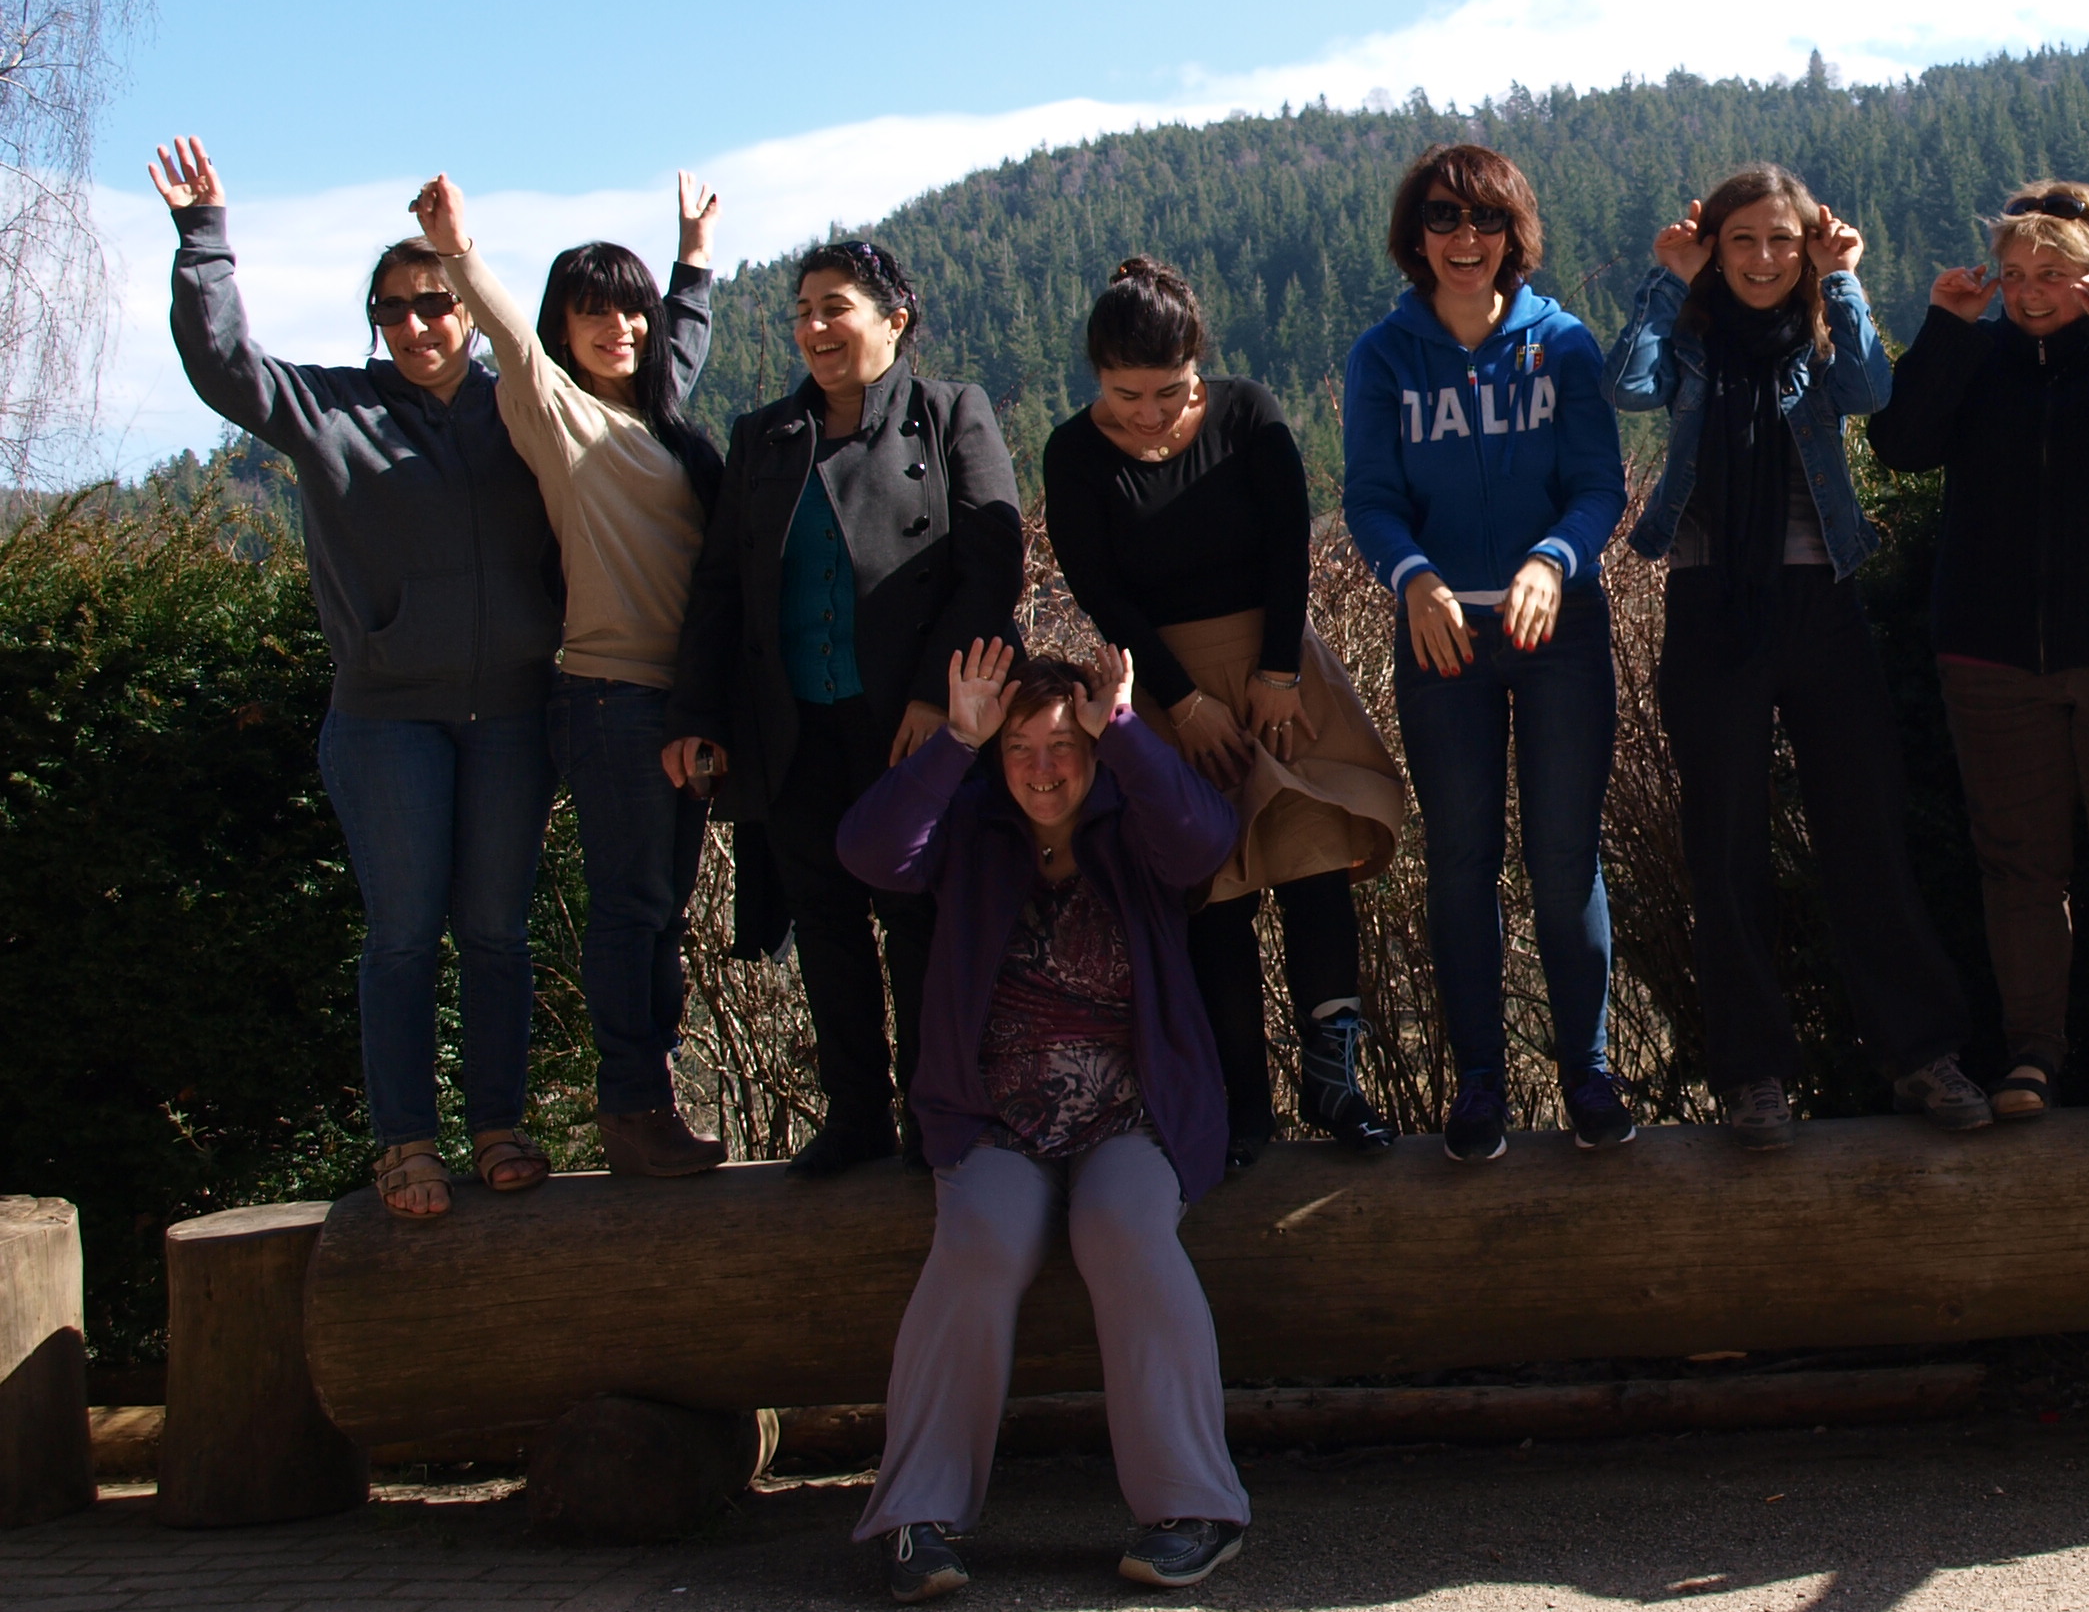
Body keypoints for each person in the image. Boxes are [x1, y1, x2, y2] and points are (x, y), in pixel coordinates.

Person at [150, 136, 562, 1221]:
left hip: (514, 715)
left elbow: (643, 389)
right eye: (393, 311)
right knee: (403, 938)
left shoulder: (521, 406)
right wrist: (204, 240)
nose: (416, 325)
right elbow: (223, 366)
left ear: (466, 308)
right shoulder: (330, 409)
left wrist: (692, 274)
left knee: (497, 936)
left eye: (434, 303)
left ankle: (499, 1127)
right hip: (387, 724)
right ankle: (406, 1143)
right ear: (374, 324)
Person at [840, 639, 1250, 1600]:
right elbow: (869, 853)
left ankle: (1197, 1511)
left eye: (1063, 744)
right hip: (991, 1116)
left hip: (1134, 1110)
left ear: (1093, 748)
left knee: (1124, 1228)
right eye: (1020, 747)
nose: (1042, 768)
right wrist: (955, 742)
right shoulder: (971, 819)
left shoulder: (1132, 817)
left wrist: (1127, 730)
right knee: (979, 1240)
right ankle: (916, 1519)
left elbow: (1206, 842)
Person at [1609, 164, 1991, 1148]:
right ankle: (1753, 1077)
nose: (1764, 258)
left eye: (1782, 239)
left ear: (1806, 243)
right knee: (1725, 846)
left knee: (1865, 833)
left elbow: (1870, 388)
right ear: (1715, 247)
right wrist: (1667, 277)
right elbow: (1629, 384)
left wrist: (1845, 277)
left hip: (1822, 598)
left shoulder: (1822, 331)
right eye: (1742, 240)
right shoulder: (1690, 336)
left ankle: (1920, 1054)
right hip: (1712, 604)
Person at [1865, 181, 2089, 1118]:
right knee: (2019, 868)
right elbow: (1901, 445)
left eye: (2054, 274)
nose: (2030, 293)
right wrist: (1945, 329)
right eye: (2016, 273)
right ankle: (2032, 1056)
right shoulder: (1976, 355)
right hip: (1991, 657)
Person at [664, 242, 1023, 1174]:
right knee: (823, 922)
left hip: (909, 727)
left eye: (835, 308)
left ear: (894, 320)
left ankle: (936, 1115)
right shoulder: (763, 438)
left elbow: (992, 569)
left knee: (918, 920)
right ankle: (855, 1117)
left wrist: (934, 699)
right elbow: (721, 588)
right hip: (791, 726)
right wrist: (698, 713)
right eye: (803, 311)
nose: (814, 327)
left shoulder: (951, 413)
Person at [1043, 256, 1406, 1165]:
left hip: (1278, 670)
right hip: (1163, 685)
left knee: (1315, 864)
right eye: (1126, 395)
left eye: (1169, 392)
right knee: (1211, 894)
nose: (1149, 414)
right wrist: (1183, 702)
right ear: (1097, 376)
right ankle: (1242, 1108)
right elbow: (1100, 591)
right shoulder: (1072, 452)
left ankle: (1336, 1085)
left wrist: (1278, 671)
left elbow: (1289, 546)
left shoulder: (1247, 412)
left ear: (1197, 363)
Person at [419, 171, 732, 1181]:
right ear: (563, 326)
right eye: (592, 313)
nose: (618, 328)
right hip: (609, 698)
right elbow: (510, 340)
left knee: (665, 914)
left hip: (684, 702)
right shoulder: (552, 413)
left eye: (629, 310)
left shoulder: (663, 423)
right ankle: (631, 1106)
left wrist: (692, 259)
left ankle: (655, 1095)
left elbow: (680, 341)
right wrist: (459, 252)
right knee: (632, 908)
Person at [1338, 145, 1632, 1164]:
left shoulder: (1565, 344)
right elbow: (1369, 497)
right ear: (1414, 235)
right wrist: (1413, 576)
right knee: (1462, 860)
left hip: (1560, 632)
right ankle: (1479, 1085)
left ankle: (1588, 1071)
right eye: (1443, 217)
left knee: (1563, 856)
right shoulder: (1384, 356)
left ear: (1515, 233)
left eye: (1487, 219)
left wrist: (1555, 559)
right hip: (1442, 636)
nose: (1466, 238)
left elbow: (1598, 486)